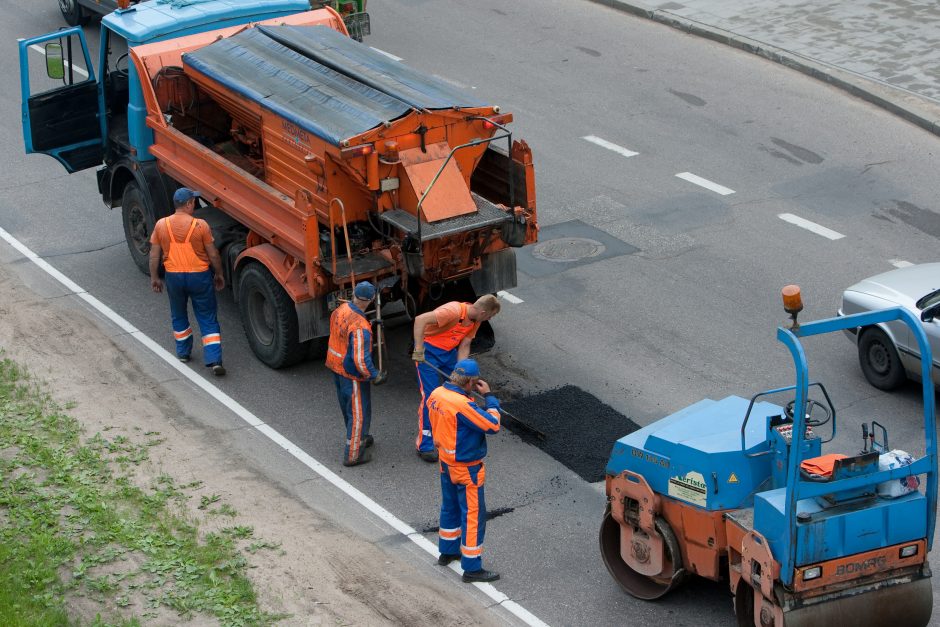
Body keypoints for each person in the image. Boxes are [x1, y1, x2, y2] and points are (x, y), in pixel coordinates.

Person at [427, 358, 501, 583]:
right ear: (469, 382)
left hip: (446, 463)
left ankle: (448, 551)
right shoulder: (461, 405)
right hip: (466, 468)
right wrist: (490, 398)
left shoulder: (437, 394)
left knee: (449, 508)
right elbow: (492, 425)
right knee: (473, 516)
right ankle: (471, 567)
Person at [411, 295, 500, 462]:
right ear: (482, 311)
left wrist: (462, 373)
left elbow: (465, 345)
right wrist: (418, 349)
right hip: (428, 353)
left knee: (463, 390)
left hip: (448, 353)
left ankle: (457, 429)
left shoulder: (476, 320)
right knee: (430, 398)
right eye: (489, 316)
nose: (489, 319)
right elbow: (419, 320)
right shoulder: (451, 311)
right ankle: (425, 444)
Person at [149, 187, 226, 375]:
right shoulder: (200, 225)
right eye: (194, 202)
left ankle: (183, 353)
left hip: (174, 276)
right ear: (190, 204)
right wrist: (219, 273)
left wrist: (155, 278)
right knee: (207, 317)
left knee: (178, 313)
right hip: (199, 276)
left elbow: (154, 255)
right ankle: (214, 360)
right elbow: (213, 254)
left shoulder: (161, 225)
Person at [326, 281, 386, 466]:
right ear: (369, 300)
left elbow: (343, 332)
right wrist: (374, 375)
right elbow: (361, 360)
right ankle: (352, 455)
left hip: (336, 366)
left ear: (354, 296)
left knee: (349, 409)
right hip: (352, 375)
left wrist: (369, 323)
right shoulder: (360, 327)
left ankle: (360, 437)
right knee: (358, 413)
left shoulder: (341, 309)